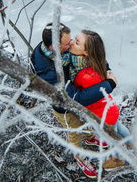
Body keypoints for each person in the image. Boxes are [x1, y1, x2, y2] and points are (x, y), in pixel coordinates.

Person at [30, 23, 118, 178]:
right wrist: (108, 85)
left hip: (80, 100)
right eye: (67, 42)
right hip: (65, 108)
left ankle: (91, 139)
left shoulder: (67, 53)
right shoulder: (46, 71)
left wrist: (107, 71)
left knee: (85, 122)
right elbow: (75, 98)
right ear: (54, 48)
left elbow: (94, 55)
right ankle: (80, 157)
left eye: (73, 40)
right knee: (75, 133)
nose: (71, 43)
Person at [69, 29, 131, 171]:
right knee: (119, 129)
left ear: (86, 53)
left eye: (77, 42)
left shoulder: (82, 75)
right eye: (74, 38)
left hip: (102, 117)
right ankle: (130, 142)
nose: (71, 42)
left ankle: (116, 159)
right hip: (111, 109)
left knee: (112, 139)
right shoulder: (99, 65)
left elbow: (78, 95)